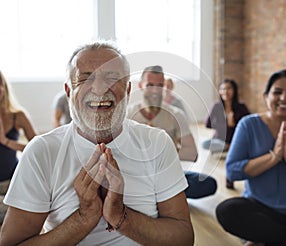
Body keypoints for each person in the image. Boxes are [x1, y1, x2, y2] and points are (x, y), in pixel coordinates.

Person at [0, 42, 194, 246]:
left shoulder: (158, 143)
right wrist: (83, 218)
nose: (100, 88)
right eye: (85, 78)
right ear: (68, 91)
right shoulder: (42, 151)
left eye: (112, 78)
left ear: (127, 90)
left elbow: (183, 238)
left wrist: (121, 216)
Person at [216, 69, 286, 245]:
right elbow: (232, 172)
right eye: (277, 92)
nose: (284, 98)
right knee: (227, 210)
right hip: (260, 209)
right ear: (266, 96)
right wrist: (274, 157)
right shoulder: (249, 124)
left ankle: (262, 240)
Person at [127, 65, 217, 199]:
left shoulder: (176, 115)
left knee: (208, 183)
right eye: (150, 85)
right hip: (137, 176)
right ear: (140, 85)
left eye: (160, 85)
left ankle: (157, 195)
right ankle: (163, 195)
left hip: (166, 176)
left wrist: (162, 152)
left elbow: (193, 154)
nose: (155, 90)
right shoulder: (127, 114)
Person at [0, 70, 36, 224]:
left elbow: (37, 148)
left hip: (11, 181)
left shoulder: (18, 115)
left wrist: (5, 141)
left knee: (20, 215)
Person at [202, 79, 250, 189]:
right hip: (219, 140)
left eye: (229, 88)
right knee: (204, 144)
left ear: (234, 91)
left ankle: (230, 177)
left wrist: (234, 124)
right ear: (219, 91)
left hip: (236, 141)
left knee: (234, 153)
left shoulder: (241, 107)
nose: (226, 91)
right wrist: (226, 124)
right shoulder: (216, 105)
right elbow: (207, 124)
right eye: (223, 89)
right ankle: (225, 148)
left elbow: (248, 126)